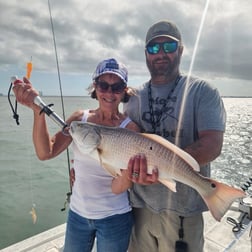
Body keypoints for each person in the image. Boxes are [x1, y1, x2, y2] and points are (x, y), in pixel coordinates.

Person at [12, 58, 148, 252]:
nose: (109, 93)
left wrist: (128, 176)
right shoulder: (79, 120)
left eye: (116, 86)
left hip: (115, 218)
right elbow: (46, 152)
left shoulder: (131, 130)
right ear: (95, 86)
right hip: (77, 216)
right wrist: (38, 112)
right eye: (103, 85)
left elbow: (120, 186)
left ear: (125, 90)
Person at [123, 20, 226, 252]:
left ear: (180, 50)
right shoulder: (132, 98)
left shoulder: (203, 91)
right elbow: (122, 145)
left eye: (168, 47)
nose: (160, 53)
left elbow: (212, 144)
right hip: (139, 209)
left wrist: (162, 164)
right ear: (146, 54)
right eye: (153, 48)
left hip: (183, 212)